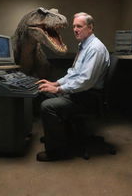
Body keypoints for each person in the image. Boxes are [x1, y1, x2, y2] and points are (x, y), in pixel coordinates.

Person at [36, 12, 110, 162]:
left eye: (79, 26)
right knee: (44, 92)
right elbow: (74, 73)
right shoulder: (84, 45)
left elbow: (85, 81)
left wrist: (58, 90)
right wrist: (55, 83)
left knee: (47, 106)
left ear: (90, 28)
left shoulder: (95, 49)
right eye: (74, 26)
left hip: (88, 97)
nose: (75, 29)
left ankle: (56, 152)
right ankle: (57, 137)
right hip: (82, 92)